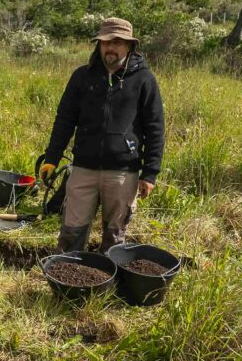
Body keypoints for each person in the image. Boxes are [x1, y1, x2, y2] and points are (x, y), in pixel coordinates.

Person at [40, 17, 165, 253]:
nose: (110, 47)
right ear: (98, 45)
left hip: (122, 172)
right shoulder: (82, 76)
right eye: (105, 42)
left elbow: (155, 127)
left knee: (115, 236)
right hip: (83, 169)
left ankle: (107, 283)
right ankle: (68, 282)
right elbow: (64, 120)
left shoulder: (144, 79)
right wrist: (51, 158)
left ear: (129, 45)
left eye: (117, 42)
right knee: (71, 231)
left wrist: (150, 173)